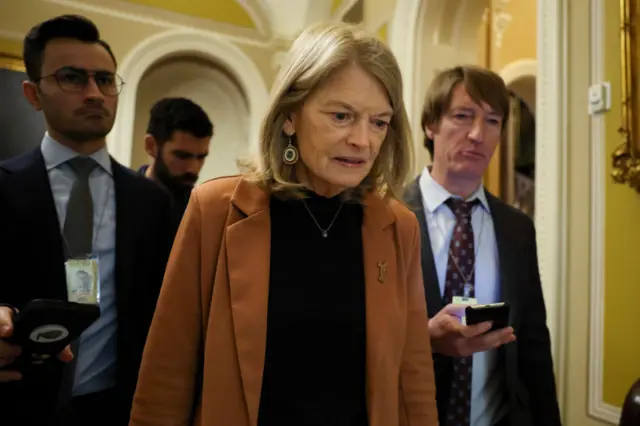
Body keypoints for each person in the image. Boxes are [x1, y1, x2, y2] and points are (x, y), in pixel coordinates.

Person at [129, 22, 439, 426]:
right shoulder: (215, 211)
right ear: (290, 115)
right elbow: (166, 377)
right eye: (342, 115)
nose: (363, 141)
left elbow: (412, 379)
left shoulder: (398, 226)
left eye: (379, 122)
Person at [0, 15, 173, 426]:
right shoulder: (3, 189)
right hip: (16, 399)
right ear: (33, 93)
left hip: (118, 409)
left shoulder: (151, 202)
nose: (94, 93)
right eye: (72, 78)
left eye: (105, 80)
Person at [404, 65, 562, 426]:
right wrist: (423, 339)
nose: (478, 134)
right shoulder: (387, 218)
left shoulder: (517, 228)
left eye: (493, 121)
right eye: (462, 116)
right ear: (431, 125)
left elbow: (533, 342)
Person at [138, 97, 213, 227]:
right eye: (182, 156)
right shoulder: (120, 201)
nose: (193, 169)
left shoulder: (205, 215)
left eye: (201, 157)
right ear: (151, 146)